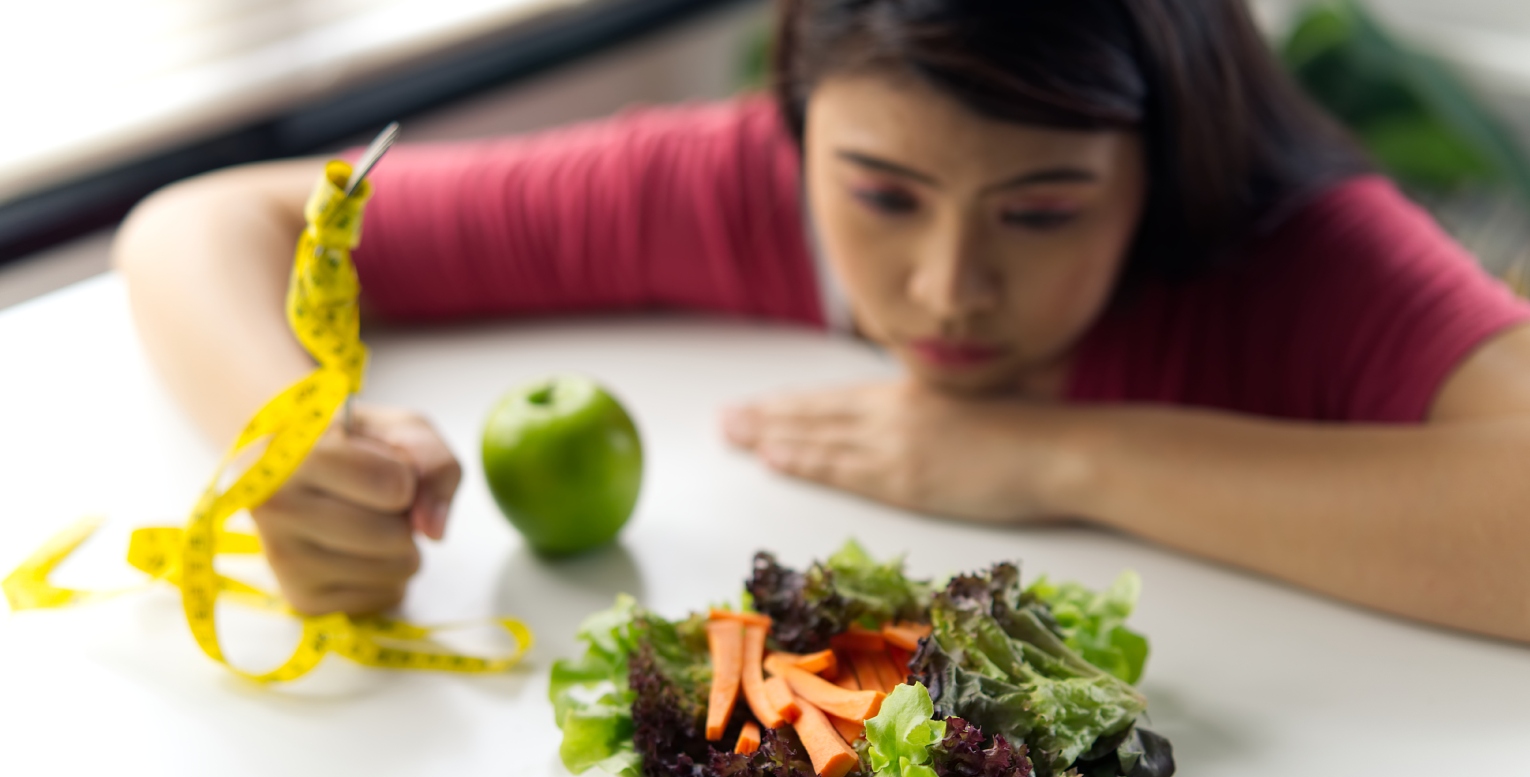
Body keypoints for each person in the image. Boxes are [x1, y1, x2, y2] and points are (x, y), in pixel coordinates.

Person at [116, 0, 1530, 643]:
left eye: (1040, 211)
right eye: (881, 195)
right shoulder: (738, 184)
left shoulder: (1293, 248)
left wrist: (1053, 458)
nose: (942, 288)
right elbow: (205, 224)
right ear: (799, 133)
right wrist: (285, 435)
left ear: (1165, 168)